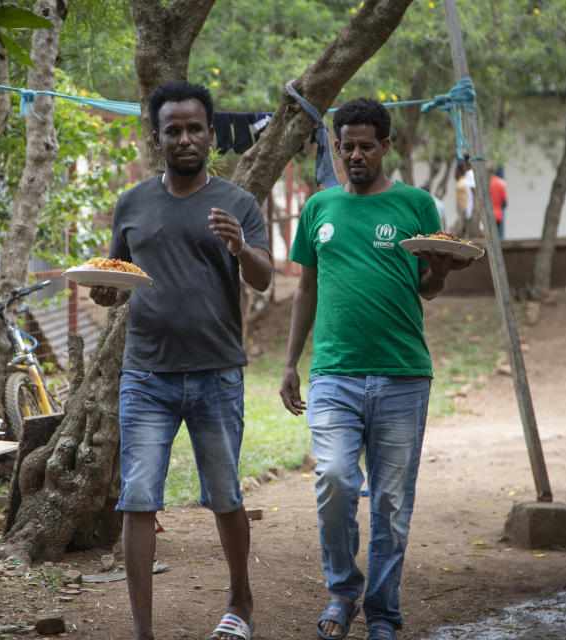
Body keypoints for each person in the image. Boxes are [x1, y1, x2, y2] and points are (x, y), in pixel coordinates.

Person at [278, 97, 475, 640]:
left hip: (403, 374)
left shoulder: (417, 205)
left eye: (367, 145)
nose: (356, 155)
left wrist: (440, 272)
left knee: (391, 501)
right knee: (335, 479)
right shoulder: (320, 208)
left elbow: (427, 289)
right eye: (347, 147)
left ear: (386, 146)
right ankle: (343, 592)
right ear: (336, 149)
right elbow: (307, 288)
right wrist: (291, 362)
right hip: (334, 374)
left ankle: (383, 613)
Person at [90, 80, 272, 640]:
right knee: (138, 498)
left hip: (216, 373)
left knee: (224, 495)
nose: (185, 138)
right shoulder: (133, 203)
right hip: (146, 377)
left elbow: (263, 278)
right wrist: (105, 292)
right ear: (158, 137)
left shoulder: (238, 204)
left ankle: (240, 601)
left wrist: (240, 246)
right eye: (174, 129)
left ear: (211, 135)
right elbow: (117, 279)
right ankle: (143, 631)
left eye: (195, 128)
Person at [489, 166, 508, 237]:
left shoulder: (486, 182)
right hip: (498, 214)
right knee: (496, 235)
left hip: (487, 214)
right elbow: (505, 202)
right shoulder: (501, 182)